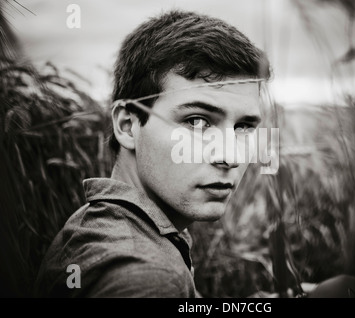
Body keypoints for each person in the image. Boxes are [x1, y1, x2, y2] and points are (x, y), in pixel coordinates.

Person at [34, 9, 271, 297]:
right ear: (127, 125)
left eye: (244, 126)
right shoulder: (146, 277)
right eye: (197, 121)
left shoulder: (105, 224)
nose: (230, 157)